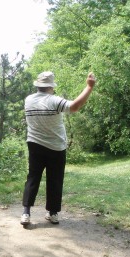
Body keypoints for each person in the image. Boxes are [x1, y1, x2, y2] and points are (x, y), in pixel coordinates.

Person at [20, 71, 96, 225]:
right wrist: (89, 87)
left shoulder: (28, 100)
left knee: (33, 177)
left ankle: (26, 213)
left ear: (38, 85)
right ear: (51, 87)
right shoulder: (54, 101)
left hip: (34, 144)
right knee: (55, 179)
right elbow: (74, 107)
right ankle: (53, 213)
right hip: (56, 147)